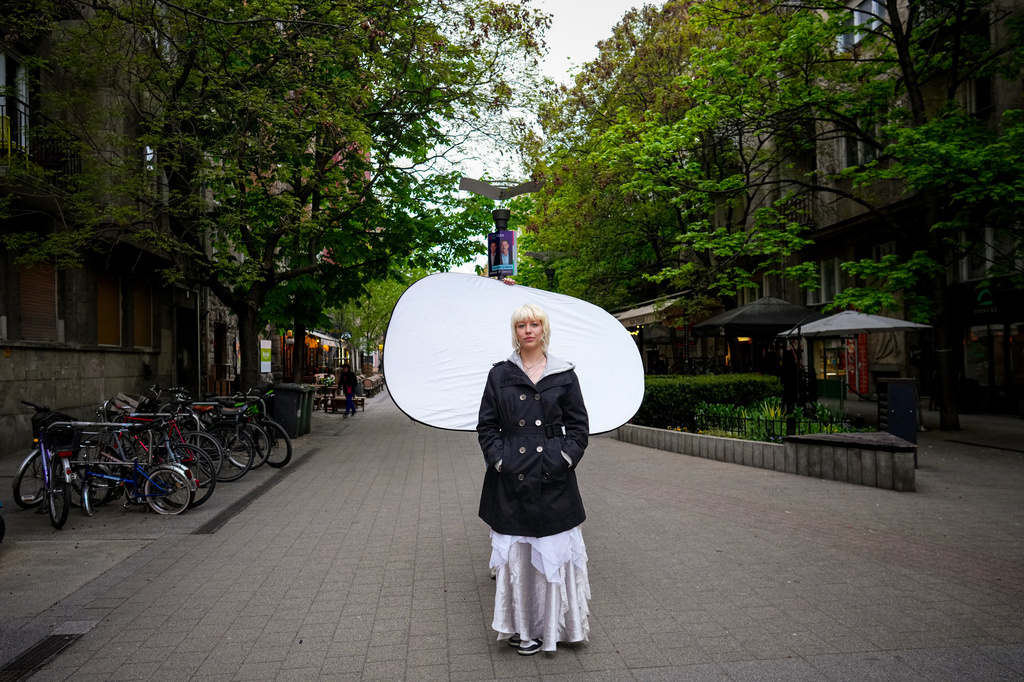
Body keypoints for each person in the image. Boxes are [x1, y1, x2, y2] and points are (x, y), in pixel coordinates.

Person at [477, 303, 591, 655]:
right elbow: (486, 426)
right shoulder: (500, 374)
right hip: (511, 481)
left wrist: (564, 458)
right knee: (519, 561)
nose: (528, 330)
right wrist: (500, 462)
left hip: (553, 480)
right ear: (515, 331)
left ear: (544, 329)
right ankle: (523, 629)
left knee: (551, 556)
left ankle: (555, 628)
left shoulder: (564, 374)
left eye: (535, 324)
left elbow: (579, 427)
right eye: (522, 325)